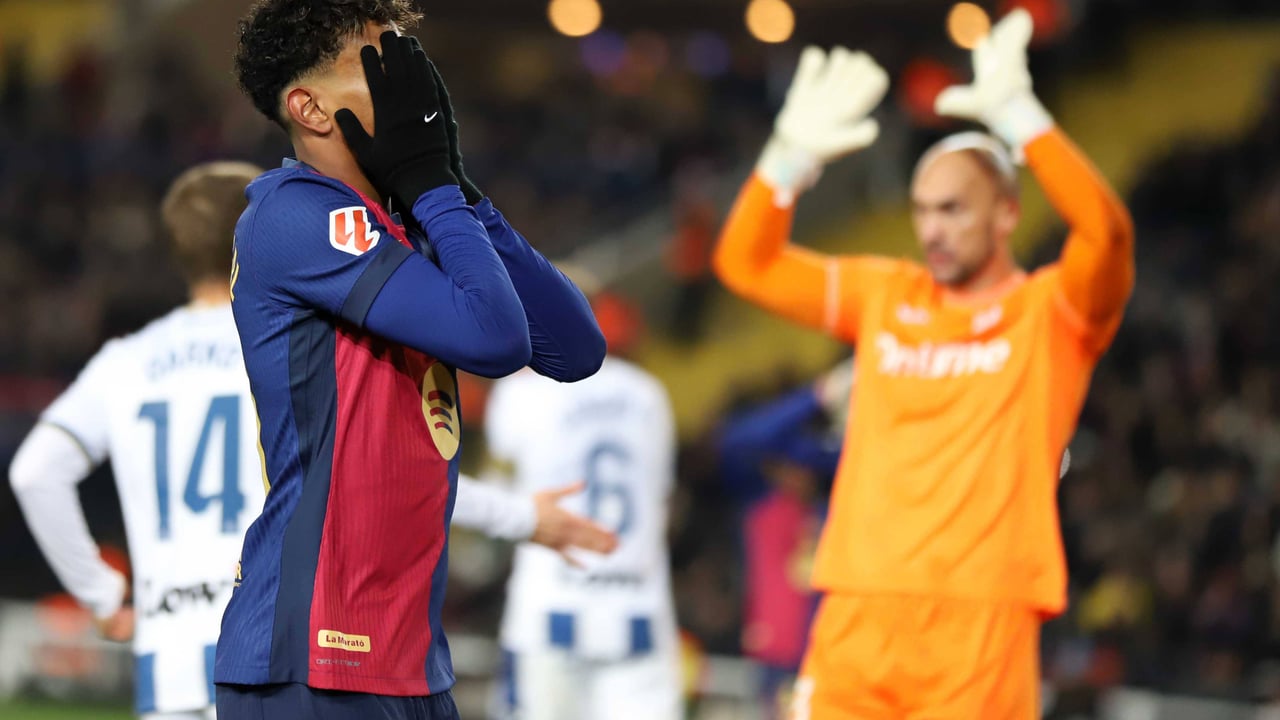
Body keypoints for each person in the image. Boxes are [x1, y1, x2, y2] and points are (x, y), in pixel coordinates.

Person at [7, 162, 614, 720]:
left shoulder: (124, 363)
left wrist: (100, 594)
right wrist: (520, 517)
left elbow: (35, 472)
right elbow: (384, 467)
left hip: (171, 660)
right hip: (277, 631)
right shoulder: (297, 336)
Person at [713, 10, 1134, 719]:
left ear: (1007, 213)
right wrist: (787, 159)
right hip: (857, 608)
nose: (932, 230)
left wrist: (1022, 118)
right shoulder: (888, 294)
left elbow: (1108, 233)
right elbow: (745, 263)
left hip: (981, 618)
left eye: (953, 210)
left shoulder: (1052, 312)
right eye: (922, 211)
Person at [216, 1, 606, 718]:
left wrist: (454, 187)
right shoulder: (294, 213)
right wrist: (431, 185)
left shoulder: (410, 220)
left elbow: (575, 348)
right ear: (309, 108)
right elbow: (495, 340)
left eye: (410, 64)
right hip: (313, 656)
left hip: (412, 662)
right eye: (379, 67)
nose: (410, 92)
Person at [485, 292, 681, 720]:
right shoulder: (650, 393)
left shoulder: (522, 392)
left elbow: (497, 487)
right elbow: (665, 502)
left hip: (550, 608)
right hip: (639, 608)